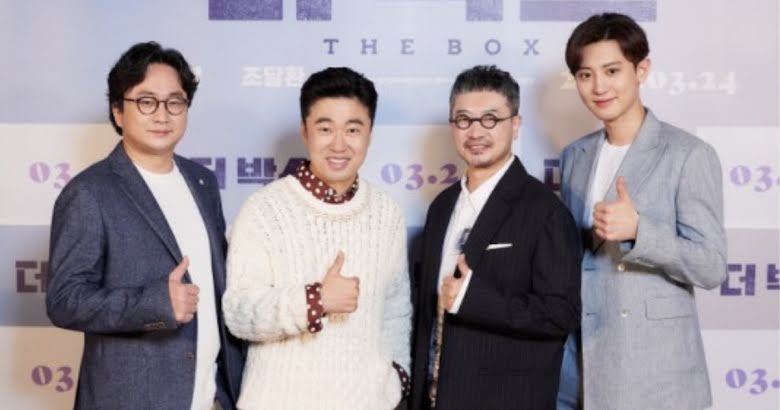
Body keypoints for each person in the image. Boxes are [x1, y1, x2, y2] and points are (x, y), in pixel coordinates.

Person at [46, 42, 244, 409]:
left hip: (208, 396)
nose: (162, 115)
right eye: (146, 102)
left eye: (175, 102)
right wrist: (154, 303)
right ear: (118, 111)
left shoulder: (202, 181)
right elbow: (64, 301)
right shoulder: (89, 192)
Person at [556, 13, 727, 410]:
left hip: (655, 374)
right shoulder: (574, 156)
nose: (599, 87)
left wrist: (640, 231)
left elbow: (711, 266)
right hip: (582, 368)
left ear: (642, 70)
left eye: (612, 70)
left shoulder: (688, 154)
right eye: (585, 75)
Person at [223, 67, 412, 409]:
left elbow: (396, 311)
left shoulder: (387, 213)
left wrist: (396, 379)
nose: (339, 144)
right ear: (305, 131)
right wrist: (315, 300)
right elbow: (238, 312)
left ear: (369, 133)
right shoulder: (264, 209)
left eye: (353, 129)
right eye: (325, 129)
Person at [409, 65, 582, 409]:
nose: (476, 131)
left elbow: (561, 313)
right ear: (452, 126)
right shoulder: (441, 207)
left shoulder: (545, 210)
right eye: (464, 120)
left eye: (490, 119)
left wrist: (474, 299)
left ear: (515, 124)